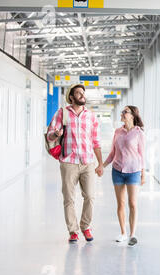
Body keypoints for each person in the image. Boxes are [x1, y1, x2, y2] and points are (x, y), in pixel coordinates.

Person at [46, 84, 103, 243]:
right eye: (78, 93)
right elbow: (50, 135)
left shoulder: (91, 116)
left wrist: (100, 163)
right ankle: (73, 231)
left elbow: (96, 141)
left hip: (87, 162)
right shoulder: (62, 113)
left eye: (83, 93)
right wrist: (55, 134)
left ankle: (85, 226)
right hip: (68, 162)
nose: (82, 95)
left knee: (90, 196)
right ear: (71, 97)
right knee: (69, 199)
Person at [101, 105, 145, 247]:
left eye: (125, 112)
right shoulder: (118, 132)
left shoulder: (139, 133)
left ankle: (133, 234)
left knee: (132, 203)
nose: (122, 114)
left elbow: (142, 155)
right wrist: (102, 165)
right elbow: (113, 153)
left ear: (132, 115)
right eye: (122, 112)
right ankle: (123, 233)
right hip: (118, 170)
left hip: (133, 171)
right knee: (120, 203)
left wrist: (143, 173)